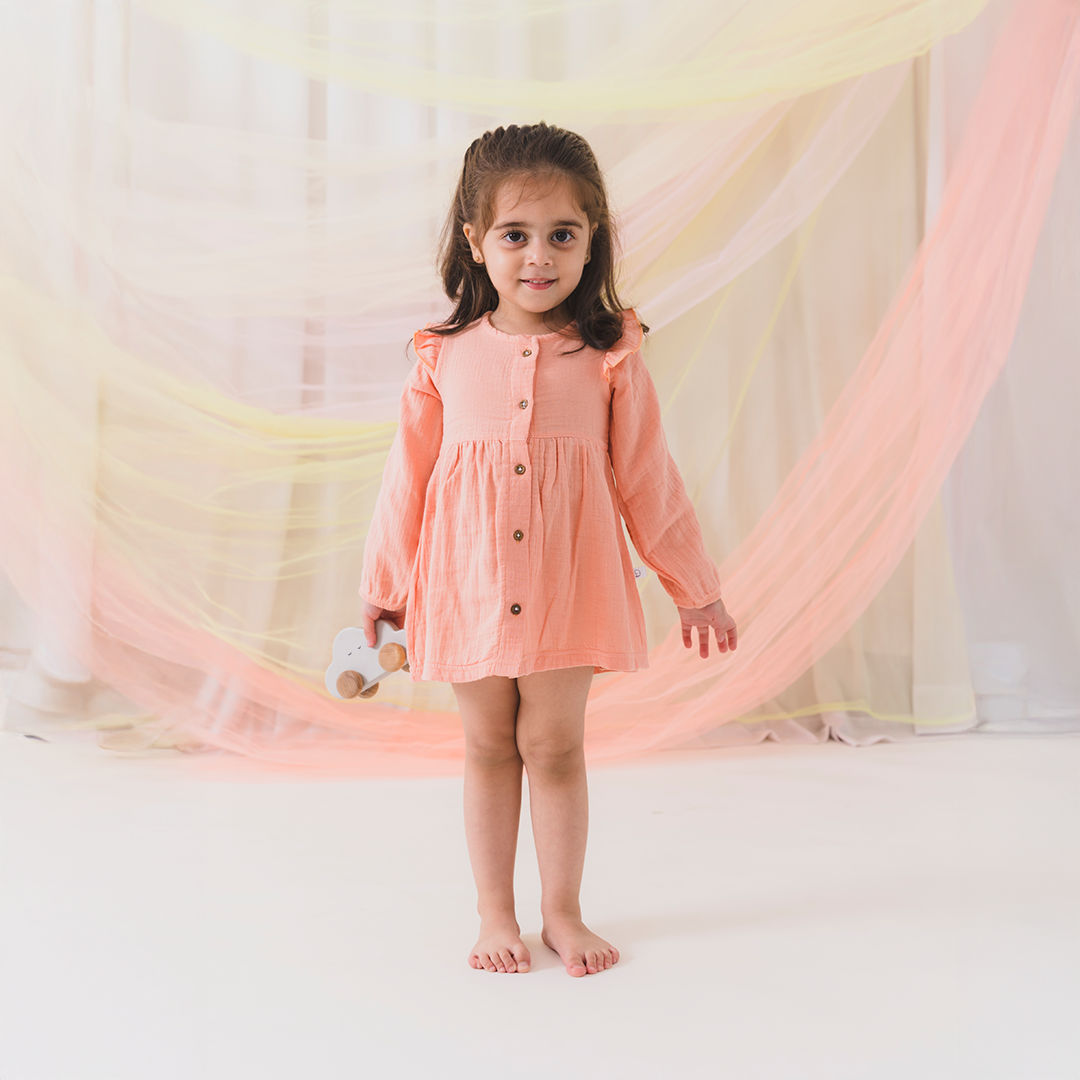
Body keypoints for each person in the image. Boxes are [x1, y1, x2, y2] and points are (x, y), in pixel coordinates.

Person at [359, 122, 737, 978]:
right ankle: (496, 911)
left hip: (572, 580)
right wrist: (384, 586)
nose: (540, 256)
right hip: (467, 580)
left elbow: (649, 478)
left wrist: (695, 588)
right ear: (473, 240)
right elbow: (405, 480)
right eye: (515, 235)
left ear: (592, 237)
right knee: (489, 746)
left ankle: (562, 911)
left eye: (563, 234)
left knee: (556, 748)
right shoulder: (442, 356)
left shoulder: (610, 353)